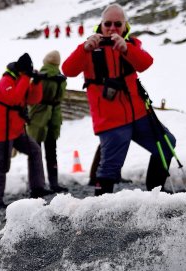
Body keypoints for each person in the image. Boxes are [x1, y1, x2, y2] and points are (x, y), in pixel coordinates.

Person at [62, 4, 175, 195]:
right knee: (110, 166)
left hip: (138, 113)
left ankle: (157, 190)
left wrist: (127, 49)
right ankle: (100, 206)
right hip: (110, 119)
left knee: (167, 143)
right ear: (101, 24)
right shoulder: (90, 47)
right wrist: (85, 49)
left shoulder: (131, 44)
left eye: (117, 24)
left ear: (124, 25)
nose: (112, 28)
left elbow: (146, 63)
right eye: (108, 23)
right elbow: (68, 70)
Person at [0, 52, 52, 211]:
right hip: (2, 133)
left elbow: (33, 99)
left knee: (35, 151)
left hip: (16, 131)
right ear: (21, 70)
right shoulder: (5, 81)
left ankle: (37, 188)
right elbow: (15, 98)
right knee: (2, 165)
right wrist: (26, 78)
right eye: (26, 72)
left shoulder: (19, 79)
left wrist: (36, 83)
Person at [26, 50, 68, 193]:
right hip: (55, 115)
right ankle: (54, 183)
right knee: (52, 151)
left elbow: (32, 95)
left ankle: (37, 185)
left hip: (39, 115)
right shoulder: (61, 78)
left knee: (34, 151)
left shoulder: (41, 75)